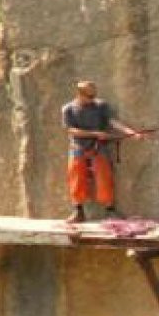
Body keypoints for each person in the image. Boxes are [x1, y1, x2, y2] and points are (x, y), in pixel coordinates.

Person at [62, 81, 144, 223]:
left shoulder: (101, 106)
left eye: (94, 95)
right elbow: (71, 130)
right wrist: (94, 133)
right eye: (89, 96)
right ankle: (78, 211)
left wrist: (131, 132)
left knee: (104, 176)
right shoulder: (68, 109)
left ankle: (110, 210)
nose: (92, 98)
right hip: (78, 148)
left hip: (98, 148)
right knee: (75, 177)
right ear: (80, 94)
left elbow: (113, 122)